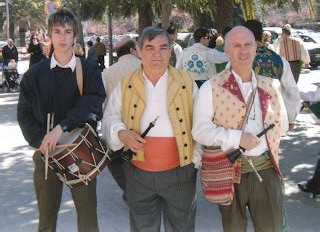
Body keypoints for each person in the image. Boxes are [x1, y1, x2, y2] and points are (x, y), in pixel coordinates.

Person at [102, 26, 200, 232]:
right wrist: (122, 133)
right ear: (138, 51)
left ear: (171, 50)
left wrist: (196, 162)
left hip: (181, 174)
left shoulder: (187, 82)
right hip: (138, 174)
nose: (157, 54)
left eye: (163, 48)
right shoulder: (125, 84)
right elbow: (109, 117)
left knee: (182, 227)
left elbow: (201, 124)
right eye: (149, 48)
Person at [192, 26, 289, 232]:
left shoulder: (271, 85)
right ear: (226, 50)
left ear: (256, 48)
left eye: (248, 44)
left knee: (271, 228)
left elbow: (283, 125)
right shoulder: (211, 87)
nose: (243, 50)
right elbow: (199, 131)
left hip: (266, 170)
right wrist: (237, 138)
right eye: (236, 45)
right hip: (228, 173)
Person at [17, 8, 106, 232]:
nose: (63, 37)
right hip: (45, 154)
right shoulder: (34, 74)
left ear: (75, 35)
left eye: (68, 31)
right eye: (57, 31)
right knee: (46, 221)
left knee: (88, 221)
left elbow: (94, 102)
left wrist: (62, 127)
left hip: (82, 153)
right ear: (49, 35)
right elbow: (24, 115)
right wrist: (40, 141)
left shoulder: (88, 69)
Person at [101, 36, 140, 199]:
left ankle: (130, 192)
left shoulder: (108, 72)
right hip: (142, 125)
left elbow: (103, 101)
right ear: (132, 50)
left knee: (116, 161)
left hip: (118, 127)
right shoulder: (145, 66)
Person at [244, 19, 301, 129]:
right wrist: (290, 118)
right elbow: (291, 90)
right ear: (261, 35)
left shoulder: (236, 59)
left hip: (244, 121)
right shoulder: (279, 60)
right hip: (273, 119)